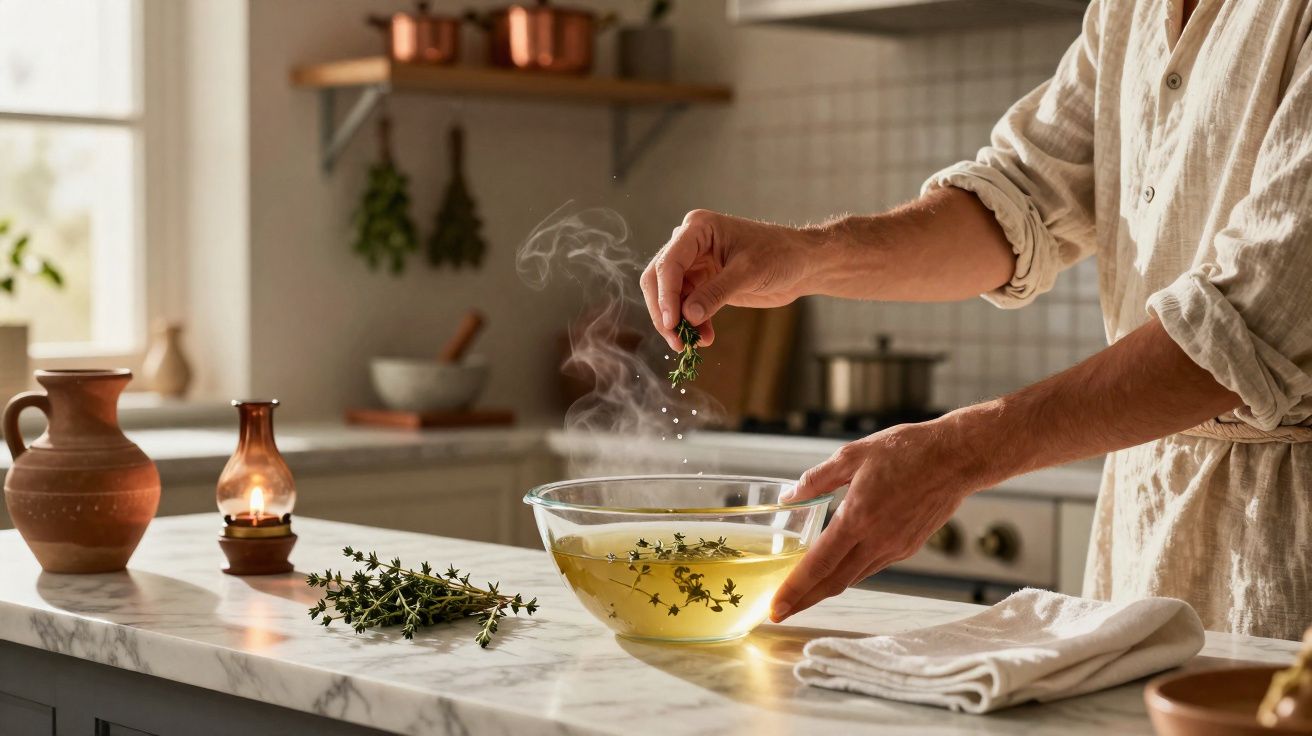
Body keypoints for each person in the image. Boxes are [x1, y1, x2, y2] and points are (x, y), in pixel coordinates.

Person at [639, 0, 1312, 641]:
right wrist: (806, 256)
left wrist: (958, 454)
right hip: (1137, 551)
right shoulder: (1127, 11)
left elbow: (1252, 319)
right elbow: (1018, 197)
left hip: (1283, 562)